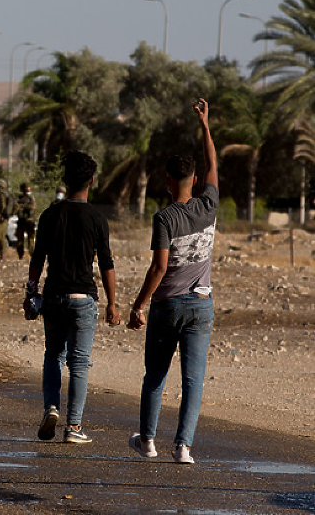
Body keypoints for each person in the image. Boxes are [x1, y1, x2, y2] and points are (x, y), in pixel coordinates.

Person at [127, 98, 219, 465]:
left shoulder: (164, 218)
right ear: (194, 181)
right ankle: (183, 447)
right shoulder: (208, 204)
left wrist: (138, 305)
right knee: (193, 381)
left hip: (167, 307)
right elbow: (213, 164)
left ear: (167, 182)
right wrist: (205, 126)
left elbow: (158, 269)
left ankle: (147, 440)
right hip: (201, 305)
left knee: (156, 376)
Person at [25, 150, 120, 444]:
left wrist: (31, 294)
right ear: (91, 180)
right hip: (83, 298)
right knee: (79, 363)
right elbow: (106, 263)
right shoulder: (97, 218)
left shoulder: (50, 215)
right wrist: (113, 304)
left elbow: (37, 259)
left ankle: (51, 408)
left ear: (65, 181)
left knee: (53, 355)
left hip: (53, 297)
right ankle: (74, 427)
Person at [15, 182, 37, 260]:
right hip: (21, 221)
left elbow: (32, 207)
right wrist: (21, 207)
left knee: (31, 240)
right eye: (27, 189)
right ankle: (20, 255)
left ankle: (32, 255)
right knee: (20, 240)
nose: (28, 190)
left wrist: (22, 206)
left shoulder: (31, 198)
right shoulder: (19, 198)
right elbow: (16, 207)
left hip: (29, 222)